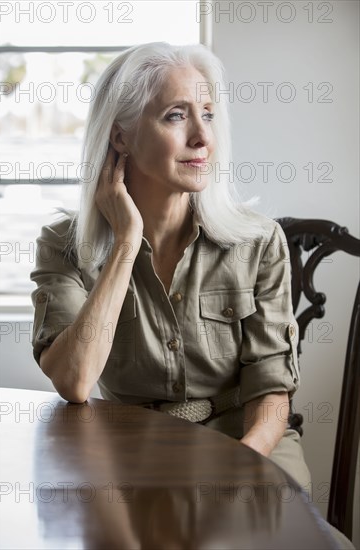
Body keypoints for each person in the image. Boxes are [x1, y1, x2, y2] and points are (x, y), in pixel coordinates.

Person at [30, 42, 353, 548]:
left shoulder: (257, 242)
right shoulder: (63, 247)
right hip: (134, 453)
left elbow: (271, 391)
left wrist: (233, 469)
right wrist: (123, 245)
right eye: (177, 115)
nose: (204, 136)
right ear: (121, 135)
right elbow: (74, 382)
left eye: (208, 114)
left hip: (249, 443)